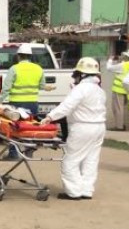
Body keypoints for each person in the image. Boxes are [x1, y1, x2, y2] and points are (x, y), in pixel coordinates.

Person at [41, 57, 107, 200]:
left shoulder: (80, 89)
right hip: (99, 127)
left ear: (82, 75)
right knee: (91, 160)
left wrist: (50, 117)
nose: (74, 78)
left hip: (82, 127)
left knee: (70, 160)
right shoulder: (99, 90)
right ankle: (86, 190)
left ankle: (73, 191)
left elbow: (67, 106)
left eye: (76, 75)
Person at [105, 48, 129, 131]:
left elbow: (109, 68)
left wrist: (110, 60)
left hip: (119, 89)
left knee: (118, 108)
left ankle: (119, 126)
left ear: (127, 57)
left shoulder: (123, 65)